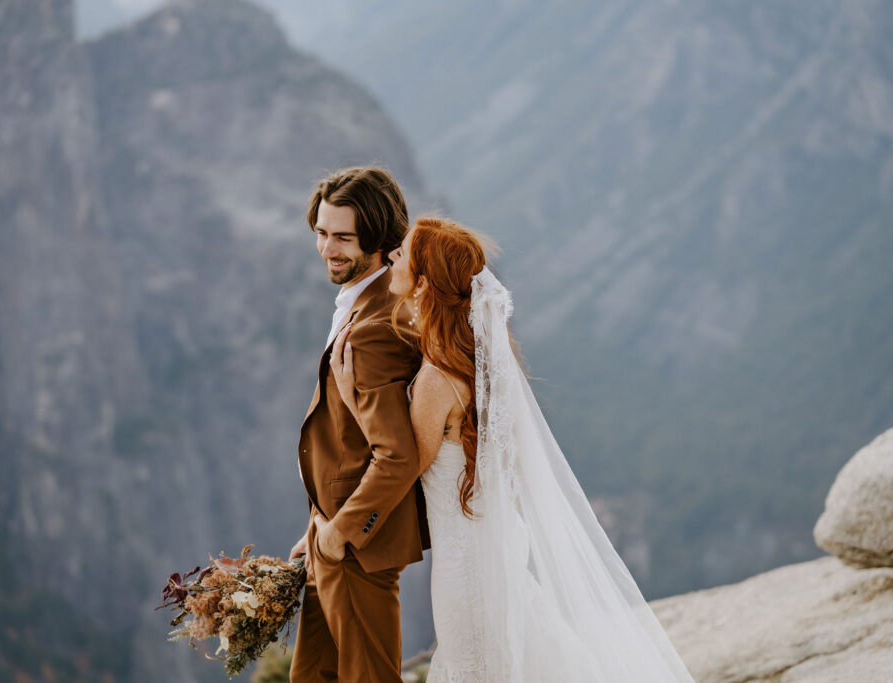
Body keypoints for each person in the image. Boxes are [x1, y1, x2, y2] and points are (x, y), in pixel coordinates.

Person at [330, 216, 696, 681]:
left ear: (424, 282)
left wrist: (354, 399)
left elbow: (403, 467)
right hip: (494, 548)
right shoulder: (474, 363)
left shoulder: (436, 379)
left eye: (403, 254)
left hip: (465, 566)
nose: (392, 256)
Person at [288, 167, 429, 683]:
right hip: (331, 532)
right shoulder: (362, 301)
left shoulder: (373, 329)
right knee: (313, 676)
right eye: (322, 233)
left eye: (344, 237)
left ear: (379, 239)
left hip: (355, 548)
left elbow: (397, 455)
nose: (328, 248)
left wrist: (340, 534)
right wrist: (317, 530)